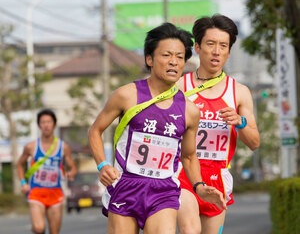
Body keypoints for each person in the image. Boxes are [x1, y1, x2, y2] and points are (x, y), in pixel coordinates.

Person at [88, 22, 227, 234]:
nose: (174, 62)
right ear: (149, 59)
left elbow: (189, 157)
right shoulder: (127, 95)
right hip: (126, 185)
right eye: (166, 55)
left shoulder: (190, 111)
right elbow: (95, 131)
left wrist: (199, 186)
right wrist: (102, 165)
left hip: (164, 191)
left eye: (180, 57)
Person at [176, 14, 260, 234]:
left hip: (217, 178)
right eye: (210, 44)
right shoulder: (179, 87)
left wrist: (240, 122)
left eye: (223, 45)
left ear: (229, 52)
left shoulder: (239, 92)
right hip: (182, 174)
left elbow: (254, 142)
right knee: (190, 229)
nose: (216, 51)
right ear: (197, 46)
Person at [16, 109, 77, 234]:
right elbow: (19, 164)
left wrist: (72, 173)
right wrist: (23, 182)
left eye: (48, 122)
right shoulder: (31, 146)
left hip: (55, 193)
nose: (46, 125)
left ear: (54, 124)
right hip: (36, 192)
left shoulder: (63, 147)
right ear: (39, 125)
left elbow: (73, 167)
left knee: (54, 232)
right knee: (39, 228)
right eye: (43, 122)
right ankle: (36, 228)